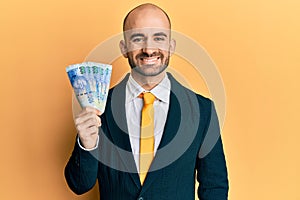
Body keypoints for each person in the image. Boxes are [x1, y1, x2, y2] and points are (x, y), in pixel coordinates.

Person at [65, 3, 229, 200]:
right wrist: (87, 145)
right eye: (137, 38)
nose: (149, 49)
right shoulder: (100, 109)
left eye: (158, 38)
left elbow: (215, 188)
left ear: (171, 46)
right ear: (124, 48)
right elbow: (80, 185)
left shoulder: (202, 111)